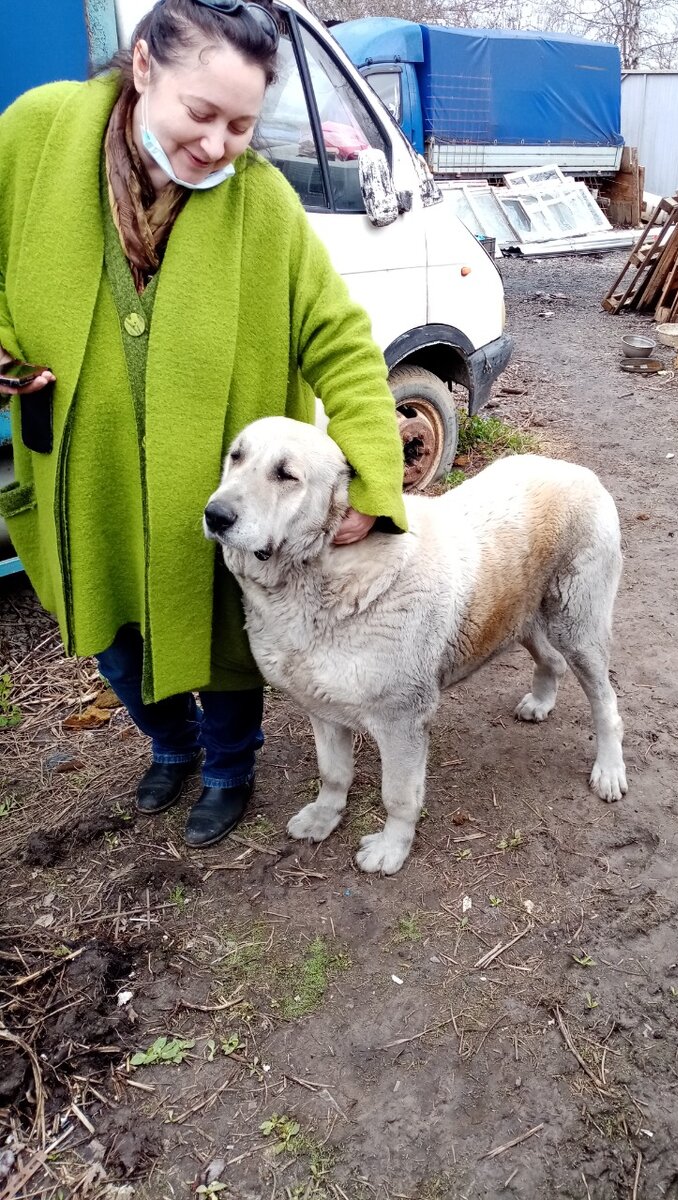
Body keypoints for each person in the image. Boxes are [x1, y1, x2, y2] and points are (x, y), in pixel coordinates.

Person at [0, 0, 407, 847]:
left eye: (243, 125)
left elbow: (339, 337)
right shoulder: (37, 136)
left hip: (228, 482)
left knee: (224, 636)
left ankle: (228, 766)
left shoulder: (261, 205)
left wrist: (372, 473)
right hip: (91, 464)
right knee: (113, 626)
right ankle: (170, 746)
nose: (218, 144)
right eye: (201, 112)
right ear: (144, 67)